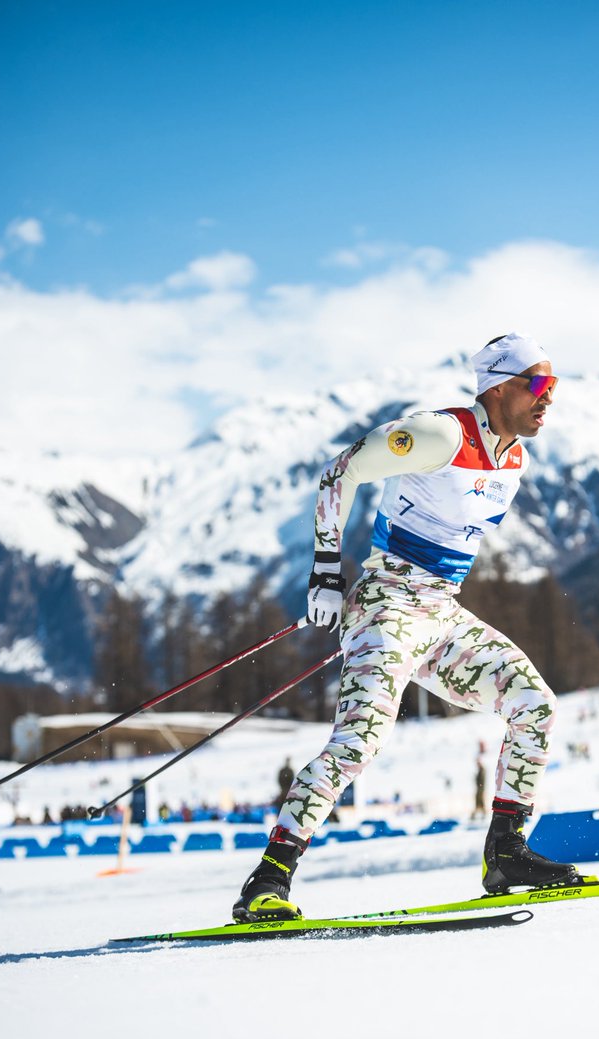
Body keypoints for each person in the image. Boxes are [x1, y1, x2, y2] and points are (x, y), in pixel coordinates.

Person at [233, 331, 579, 921]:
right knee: (361, 740)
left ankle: (507, 854)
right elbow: (338, 472)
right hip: (387, 605)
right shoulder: (442, 433)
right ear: (499, 387)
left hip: (441, 612)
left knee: (535, 704)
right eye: (538, 384)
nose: (549, 399)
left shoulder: (514, 457)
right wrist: (324, 573)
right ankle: (268, 879)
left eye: (554, 386)